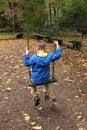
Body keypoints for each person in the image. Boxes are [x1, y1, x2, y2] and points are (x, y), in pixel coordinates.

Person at [24, 40, 62, 106]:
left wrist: (26, 54)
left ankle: (35, 96)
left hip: (36, 79)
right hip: (45, 78)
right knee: (46, 83)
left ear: (37, 49)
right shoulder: (49, 56)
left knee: (33, 85)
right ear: (44, 48)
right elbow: (58, 55)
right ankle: (46, 94)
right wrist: (57, 45)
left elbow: (27, 63)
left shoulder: (34, 57)